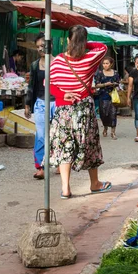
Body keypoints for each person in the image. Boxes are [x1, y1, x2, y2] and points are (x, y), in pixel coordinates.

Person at [49, 25, 111, 198]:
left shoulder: (58, 61)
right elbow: (102, 47)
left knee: (64, 146)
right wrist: (83, 44)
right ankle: (95, 184)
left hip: (63, 110)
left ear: (68, 40)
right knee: (90, 145)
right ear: (85, 42)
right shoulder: (91, 58)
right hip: (83, 109)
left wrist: (63, 94)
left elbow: (50, 85)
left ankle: (65, 188)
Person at [24, 33, 56, 180]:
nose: (40, 49)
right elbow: (31, 86)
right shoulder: (35, 65)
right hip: (41, 103)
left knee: (58, 135)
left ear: (50, 45)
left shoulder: (58, 63)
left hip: (57, 103)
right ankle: (41, 167)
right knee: (41, 136)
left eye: (43, 46)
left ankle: (60, 163)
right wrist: (27, 104)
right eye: (38, 47)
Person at [94, 57, 120, 140]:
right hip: (103, 96)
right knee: (103, 114)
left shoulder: (115, 73)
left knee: (113, 113)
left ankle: (113, 132)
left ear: (111, 64)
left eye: (107, 63)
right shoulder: (100, 73)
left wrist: (114, 84)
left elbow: (118, 83)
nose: (105, 65)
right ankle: (105, 128)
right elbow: (96, 85)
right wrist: (105, 84)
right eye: (104, 63)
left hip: (113, 96)